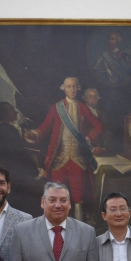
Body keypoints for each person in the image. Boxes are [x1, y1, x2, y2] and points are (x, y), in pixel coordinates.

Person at [24, 77, 103, 221]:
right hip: (59, 158)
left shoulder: (83, 107)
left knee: (78, 197)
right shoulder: (56, 107)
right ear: (64, 88)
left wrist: (89, 137)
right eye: (69, 87)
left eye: (74, 87)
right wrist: (34, 134)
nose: (72, 90)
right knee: (56, 195)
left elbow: (98, 125)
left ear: (78, 88)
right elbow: (45, 127)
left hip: (78, 159)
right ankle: (56, 225)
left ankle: (79, 228)